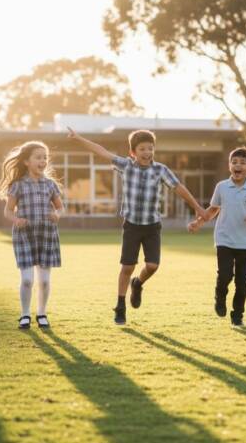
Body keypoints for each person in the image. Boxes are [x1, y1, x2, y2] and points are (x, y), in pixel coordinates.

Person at [67, 126, 209, 325]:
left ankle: (138, 283)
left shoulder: (160, 170)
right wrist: (79, 138)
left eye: (150, 148)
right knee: (127, 267)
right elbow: (101, 151)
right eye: (142, 149)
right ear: (133, 152)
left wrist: (198, 208)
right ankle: (120, 306)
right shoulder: (127, 166)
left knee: (152, 266)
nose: (147, 152)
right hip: (132, 226)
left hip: (152, 226)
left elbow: (179, 188)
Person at [189, 147, 246, 326]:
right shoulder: (222, 187)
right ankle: (220, 296)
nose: (237, 165)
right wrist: (199, 222)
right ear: (229, 166)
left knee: (242, 282)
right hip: (224, 239)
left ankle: (238, 314)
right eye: (234, 162)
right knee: (225, 275)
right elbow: (213, 209)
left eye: (242, 163)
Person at [0, 141, 63, 329]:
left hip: (46, 235)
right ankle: (25, 315)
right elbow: (8, 211)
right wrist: (15, 220)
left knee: (44, 281)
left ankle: (41, 313)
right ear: (26, 161)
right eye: (38, 157)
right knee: (27, 280)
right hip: (24, 235)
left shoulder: (50, 185)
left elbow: (60, 207)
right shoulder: (17, 186)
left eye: (45, 157)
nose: (43, 161)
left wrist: (57, 215)